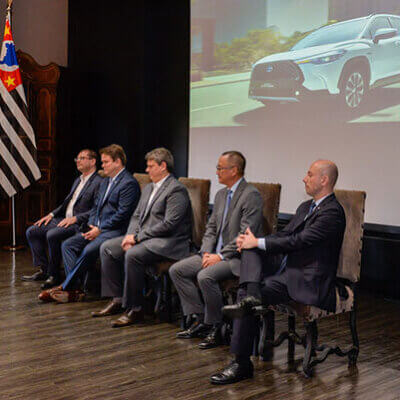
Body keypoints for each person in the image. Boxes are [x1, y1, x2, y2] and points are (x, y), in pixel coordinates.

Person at [210, 160, 346, 384]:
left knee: (245, 294)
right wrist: (256, 242)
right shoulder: (306, 207)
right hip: (287, 269)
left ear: (324, 180)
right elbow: (284, 235)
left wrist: (259, 242)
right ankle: (252, 294)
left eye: (309, 174)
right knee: (250, 250)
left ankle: (241, 363)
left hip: (306, 278)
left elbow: (300, 241)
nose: (304, 178)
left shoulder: (333, 212)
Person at [169, 151, 263, 349]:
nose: (217, 171)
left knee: (205, 276)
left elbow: (245, 235)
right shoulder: (221, 194)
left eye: (220, 168)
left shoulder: (250, 195)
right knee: (177, 270)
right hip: (213, 253)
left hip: (236, 257)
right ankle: (200, 319)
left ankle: (216, 326)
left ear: (234, 170)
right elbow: (211, 228)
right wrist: (205, 252)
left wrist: (219, 256)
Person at [92, 147, 192, 327]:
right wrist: (130, 234)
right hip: (146, 238)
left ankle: (135, 309)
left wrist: (137, 238)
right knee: (107, 248)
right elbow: (137, 216)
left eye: (151, 166)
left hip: (169, 242)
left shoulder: (176, 190)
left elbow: (169, 224)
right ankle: (117, 298)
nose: (147, 170)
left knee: (133, 254)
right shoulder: (148, 188)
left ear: (163, 166)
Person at [38, 144, 140, 303]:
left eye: (106, 162)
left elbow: (123, 215)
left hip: (114, 231)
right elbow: (95, 208)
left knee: (88, 250)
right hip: (96, 229)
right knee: (68, 244)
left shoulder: (128, 183)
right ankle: (76, 288)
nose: (103, 165)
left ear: (118, 162)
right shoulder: (106, 182)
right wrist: (91, 225)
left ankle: (66, 287)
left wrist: (100, 229)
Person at [23, 149, 102, 289]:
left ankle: (54, 275)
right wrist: (51, 215)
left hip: (80, 223)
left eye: (82, 158)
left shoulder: (99, 182)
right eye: (77, 158)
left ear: (93, 161)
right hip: (63, 219)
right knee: (32, 231)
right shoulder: (78, 179)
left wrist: (76, 218)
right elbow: (66, 203)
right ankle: (44, 270)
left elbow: (96, 209)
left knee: (52, 234)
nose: (78, 161)